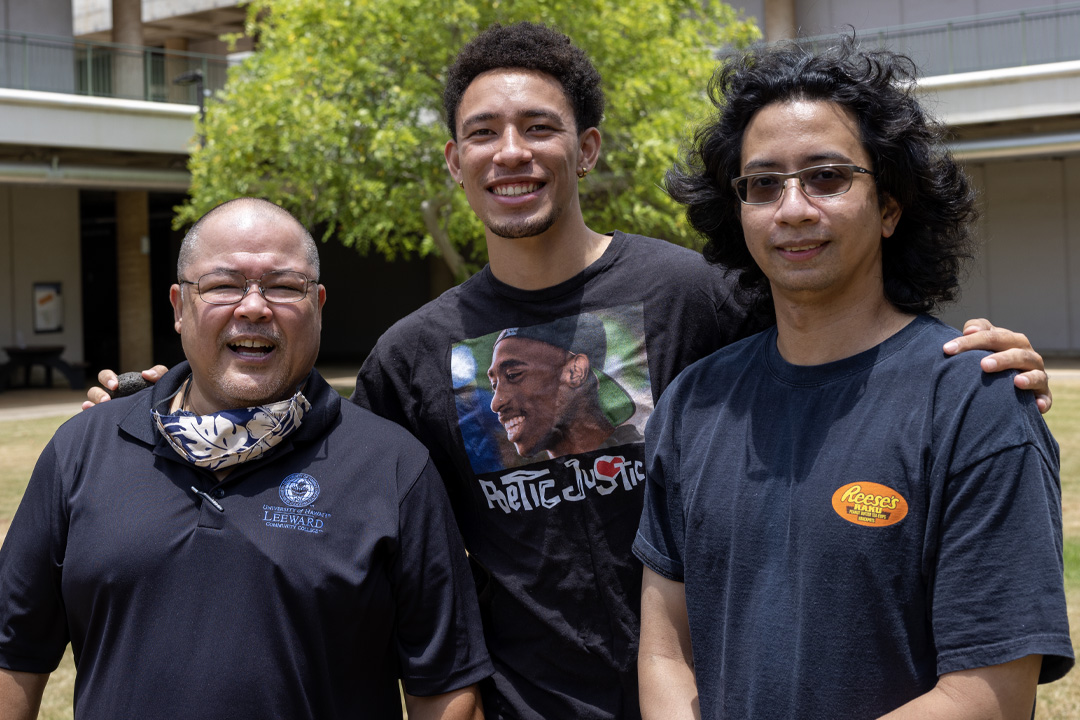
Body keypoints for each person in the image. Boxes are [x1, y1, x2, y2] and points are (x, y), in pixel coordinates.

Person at [85, 23, 1055, 720]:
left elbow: (834, 337)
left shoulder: (692, 294)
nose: (513, 152)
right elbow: (320, 461)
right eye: (483, 133)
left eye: (540, 126)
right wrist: (159, 408)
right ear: (456, 165)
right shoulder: (413, 353)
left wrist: (973, 359)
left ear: (585, 147)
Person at [634, 37, 1073, 720]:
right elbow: (667, 654)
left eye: (827, 177)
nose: (794, 208)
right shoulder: (695, 403)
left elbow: (990, 694)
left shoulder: (974, 401)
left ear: (892, 206)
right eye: (763, 184)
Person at [0, 198, 492, 720]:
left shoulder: (394, 469)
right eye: (222, 285)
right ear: (178, 306)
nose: (254, 307)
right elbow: (14, 655)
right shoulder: (80, 450)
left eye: (283, 287)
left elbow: (443, 691)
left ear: (319, 306)